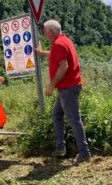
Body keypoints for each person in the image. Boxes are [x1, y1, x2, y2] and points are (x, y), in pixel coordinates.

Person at [35, 19, 91, 165]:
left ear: (51, 32)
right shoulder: (63, 40)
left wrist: (51, 85)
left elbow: (63, 66)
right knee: (57, 114)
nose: (44, 34)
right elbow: (55, 54)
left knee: (74, 119)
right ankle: (60, 148)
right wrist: (42, 53)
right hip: (68, 88)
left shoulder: (59, 43)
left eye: (45, 32)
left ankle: (84, 153)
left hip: (68, 88)